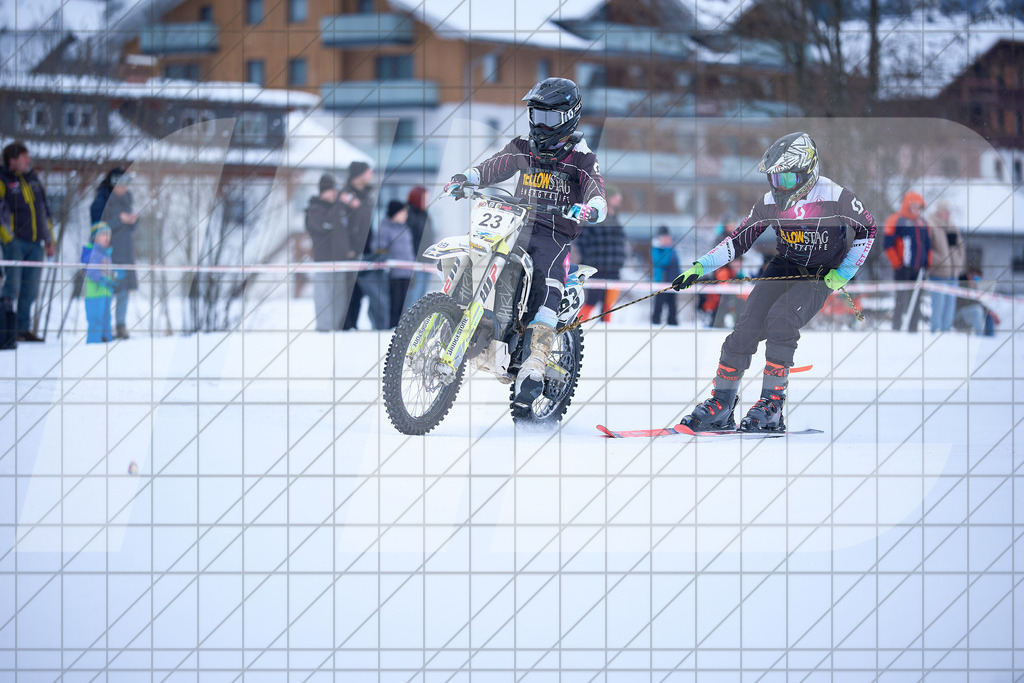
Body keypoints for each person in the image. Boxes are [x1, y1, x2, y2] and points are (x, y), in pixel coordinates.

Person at [672, 132, 876, 432]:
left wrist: (842, 275)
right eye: (774, 179)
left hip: (821, 274)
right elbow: (738, 241)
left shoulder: (835, 196)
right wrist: (701, 266)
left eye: (787, 179)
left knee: (782, 318)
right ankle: (721, 404)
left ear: (808, 170)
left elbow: (867, 230)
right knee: (747, 325)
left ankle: (772, 405)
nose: (779, 186)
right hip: (785, 266)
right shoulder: (769, 203)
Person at [442, 76, 606, 407]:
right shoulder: (522, 147)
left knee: (547, 283)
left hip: (553, 232)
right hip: (513, 223)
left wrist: (590, 209)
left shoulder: (581, 157)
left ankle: (534, 365)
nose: (540, 125)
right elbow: (492, 168)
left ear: (570, 116)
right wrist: (468, 178)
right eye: (536, 116)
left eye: (549, 118)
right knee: (476, 251)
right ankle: (452, 316)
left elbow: (597, 192)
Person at [0, 142, 55, 342]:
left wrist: (49, 240)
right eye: (24, 157)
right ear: (12, 160)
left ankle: (23, 329)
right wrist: (9, 239)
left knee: (30, 289)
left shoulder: (33, 179)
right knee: (11, 287)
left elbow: (44, 211)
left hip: (36, 244)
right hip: (14, 243)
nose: (28, 160)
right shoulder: (2, 179)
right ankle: (6, 330)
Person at [90, 168, 139, 339]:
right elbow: (97, 227)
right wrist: (120, 219)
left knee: (124, 289)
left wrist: (133, 220)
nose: (124, 188)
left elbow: (133, 227)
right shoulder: (102, 200)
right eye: (121, 184)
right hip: (109, 253)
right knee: (108, 290)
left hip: (126, 250)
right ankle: (104, 327)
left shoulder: (128, 198)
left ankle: (120, 325)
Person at [341, 162, 389, 330]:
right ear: (358, 174)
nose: (372, 175)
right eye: (369, 172)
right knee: (351, 294)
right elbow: (343, 226)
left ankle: (360, 326)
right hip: (352, 253)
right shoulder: (346, 196)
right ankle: (347, 326)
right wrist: (348, 249)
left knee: (366, 292)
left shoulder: (366, 197)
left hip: (367, 251)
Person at [305, 173, 356, 331]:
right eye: (332, 190)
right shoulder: (315, 209)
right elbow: (325, 225)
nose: (335, 194)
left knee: (339, 300)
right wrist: (339, 206)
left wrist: (348, 250)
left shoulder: (337, 209)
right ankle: (324, 330)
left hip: (340, 262)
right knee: (324, 299)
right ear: (323, 191)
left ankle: (336, 328)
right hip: (324, 263)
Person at [575, 185, 625, 322]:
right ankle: (577, 325)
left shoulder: (616, 218)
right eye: (616, 196)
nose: (619, 199)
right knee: (592, 300)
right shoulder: (596, 216)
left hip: (614, 267)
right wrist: (593, 258)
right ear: (608, 198)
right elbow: (581, 239)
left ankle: (605, 327)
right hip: (598, 267)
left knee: (609, 303)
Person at [884, 190, 931, 332]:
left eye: (919, 206)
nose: (917, 209)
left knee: (916, 300)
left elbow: (927, 245)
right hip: (902, 268)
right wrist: (897, 264)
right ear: (908, 205)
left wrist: (928, 263)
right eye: (914, 205)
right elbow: (888, 245)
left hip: (919, 269)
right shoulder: (896, 220)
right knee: (900, 300)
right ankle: (896, 327)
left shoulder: (922, 222)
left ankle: (913, 329)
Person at [926, 200, 965, 333]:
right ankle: (934, 331)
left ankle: (946, 332)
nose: (948, 214)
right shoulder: (931, 226)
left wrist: (958, 263)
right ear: (939, 211)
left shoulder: (952, 227)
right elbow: (927, 249)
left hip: (953, 275)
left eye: (949, 211)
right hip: (938, 274)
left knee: (950, 306)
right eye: (945, 211)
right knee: (938, 305)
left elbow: (959, 248)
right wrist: (939, 260)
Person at [375, 200, 414, 328]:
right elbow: (378, 248)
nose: (405, 215)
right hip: (393, 274)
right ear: (395, 213)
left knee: (405, 304)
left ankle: (401, 328)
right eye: (403, 212)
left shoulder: (405, 228)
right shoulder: (385, 229)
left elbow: (409, 250)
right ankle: (390, 328)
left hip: (406, 273)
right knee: (394, 304)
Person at [81, 222, 122, 344]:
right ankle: (94, 345)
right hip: (94, 295)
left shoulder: (105, 253)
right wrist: (103, 280)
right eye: (103, 234)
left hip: (105, 293)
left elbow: (108, 272)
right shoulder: (93, 252)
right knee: (96, 321)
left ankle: (106, 341)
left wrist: (114, 277)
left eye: (108, 234)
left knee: (106, 320)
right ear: (95, 237)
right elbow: (92, 271)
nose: (107, 237)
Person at [404, 186, 434, 308]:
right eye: (424, 198)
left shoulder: (426, 215)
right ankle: (409, 324)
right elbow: (408, 240)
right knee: (413, 297)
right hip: (415, 263)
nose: (427, 201)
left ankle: (416, 324)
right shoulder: (409, 215)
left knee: (421, 297)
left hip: (428, 261)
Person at [650, 226, 680, 326]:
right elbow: (663, 261)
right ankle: (655, 324)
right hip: (661, 282)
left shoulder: (671, 249)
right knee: (659, 306)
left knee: (672, 306)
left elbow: (676, 266)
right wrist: (668, 248)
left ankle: (673, 325)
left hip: (672, 281)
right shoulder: (657, 249)